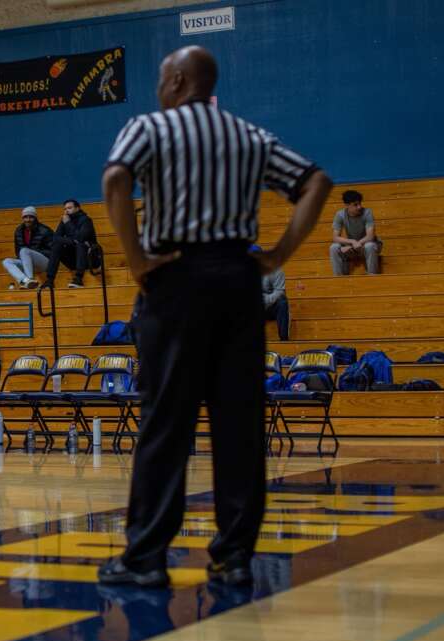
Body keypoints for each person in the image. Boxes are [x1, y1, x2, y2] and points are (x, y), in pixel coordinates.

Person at [99, 45, 332, 587]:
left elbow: (115, 180)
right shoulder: (249, 135)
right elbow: (315, 182)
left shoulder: (149, 127)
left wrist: (136, 261)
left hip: (175, 279)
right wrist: (276, 255)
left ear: (179, 81)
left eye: (162, 77)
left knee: (165, 422)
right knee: (239, 423)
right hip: (236, 281)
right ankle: (233, 558)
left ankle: (146, 559)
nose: (159, 86)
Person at [43, 199, 98, 289]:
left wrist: (68, 224)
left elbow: (81, 238)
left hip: (90, 259)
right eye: (65, 209)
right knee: (57, 245)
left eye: (69, 208)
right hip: (73, 260)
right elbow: (56, 238)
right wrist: (72, 241)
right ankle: (50, 280)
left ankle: (78, 279)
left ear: (77, 208)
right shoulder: (64, 220)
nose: (66, 211)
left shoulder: (86, 220)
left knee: (81, 244)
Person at [330, 190, 382, 275]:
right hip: (354, 246)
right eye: (355, 205)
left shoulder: (367, 212)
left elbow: (370, 237)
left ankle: (372, 276)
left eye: (360, 203)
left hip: (367, 245)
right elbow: (335, 238)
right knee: (334, 247)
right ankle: (338, 279)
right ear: (347, 205)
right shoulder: (340, 215)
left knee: (370, 245)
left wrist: (352, 245)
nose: (359, 207)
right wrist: (352, 242)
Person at [2, 206, 54, 289]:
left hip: (44, 262)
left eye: (31, 217)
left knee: (24, 251)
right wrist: (26, 258)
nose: (28, 219)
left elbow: (53, 251)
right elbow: (17, 250)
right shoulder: (19, 230)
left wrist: (33, 252)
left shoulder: (45, 230)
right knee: (6, 261)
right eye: (25, 217)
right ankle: (25, 280)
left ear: (35, 218)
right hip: (27, 264)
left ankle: (30, 279)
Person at [263, 263, 289, 341]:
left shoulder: (275, 271)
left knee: (282, 303)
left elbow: (280, 292)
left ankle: (283, 338)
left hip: (271, 306)